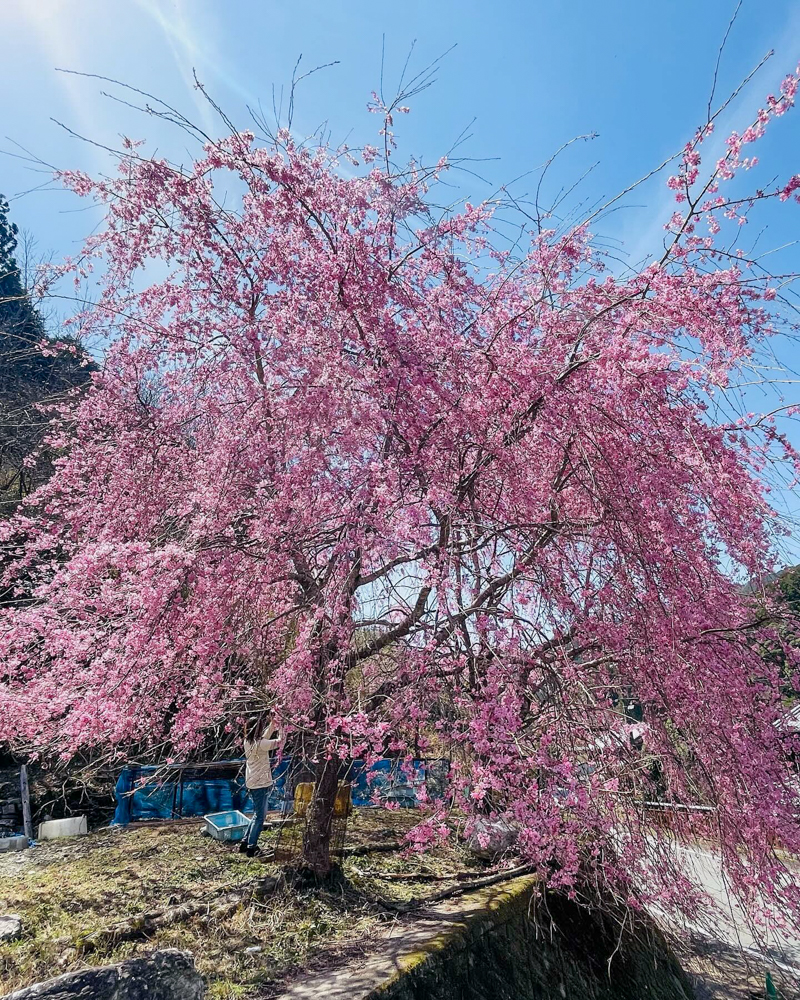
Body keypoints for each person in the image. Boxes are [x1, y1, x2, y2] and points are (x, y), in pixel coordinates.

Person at [239, 714, 282, 858]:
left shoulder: (248, 741)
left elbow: (265, 737)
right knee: (260, 816)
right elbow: (280, 742)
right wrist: (282, 727)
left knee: (257, 813)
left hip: (252, 781)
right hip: (260, 782)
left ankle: (245, 842)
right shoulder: (261, 744)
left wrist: (273, 724)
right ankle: (252, 847)